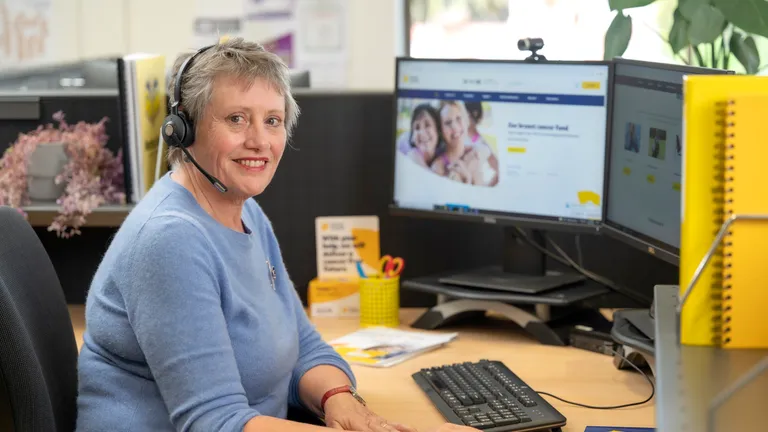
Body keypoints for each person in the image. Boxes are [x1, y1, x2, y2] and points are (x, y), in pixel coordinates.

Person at [75, 38, 478, 432]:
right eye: (236, 118)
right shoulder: (170, 240)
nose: (260, 141)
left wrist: (340, 400)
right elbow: (215, 421)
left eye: (273, 120)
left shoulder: (244, 209)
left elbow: (302, 344)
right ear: (184, 129)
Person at [398, 103, 444, 168]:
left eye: (427, 125)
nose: (422, 132)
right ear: (412, 136)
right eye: (417, 127)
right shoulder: (413, 155)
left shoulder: (443, 154)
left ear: (437, 130)